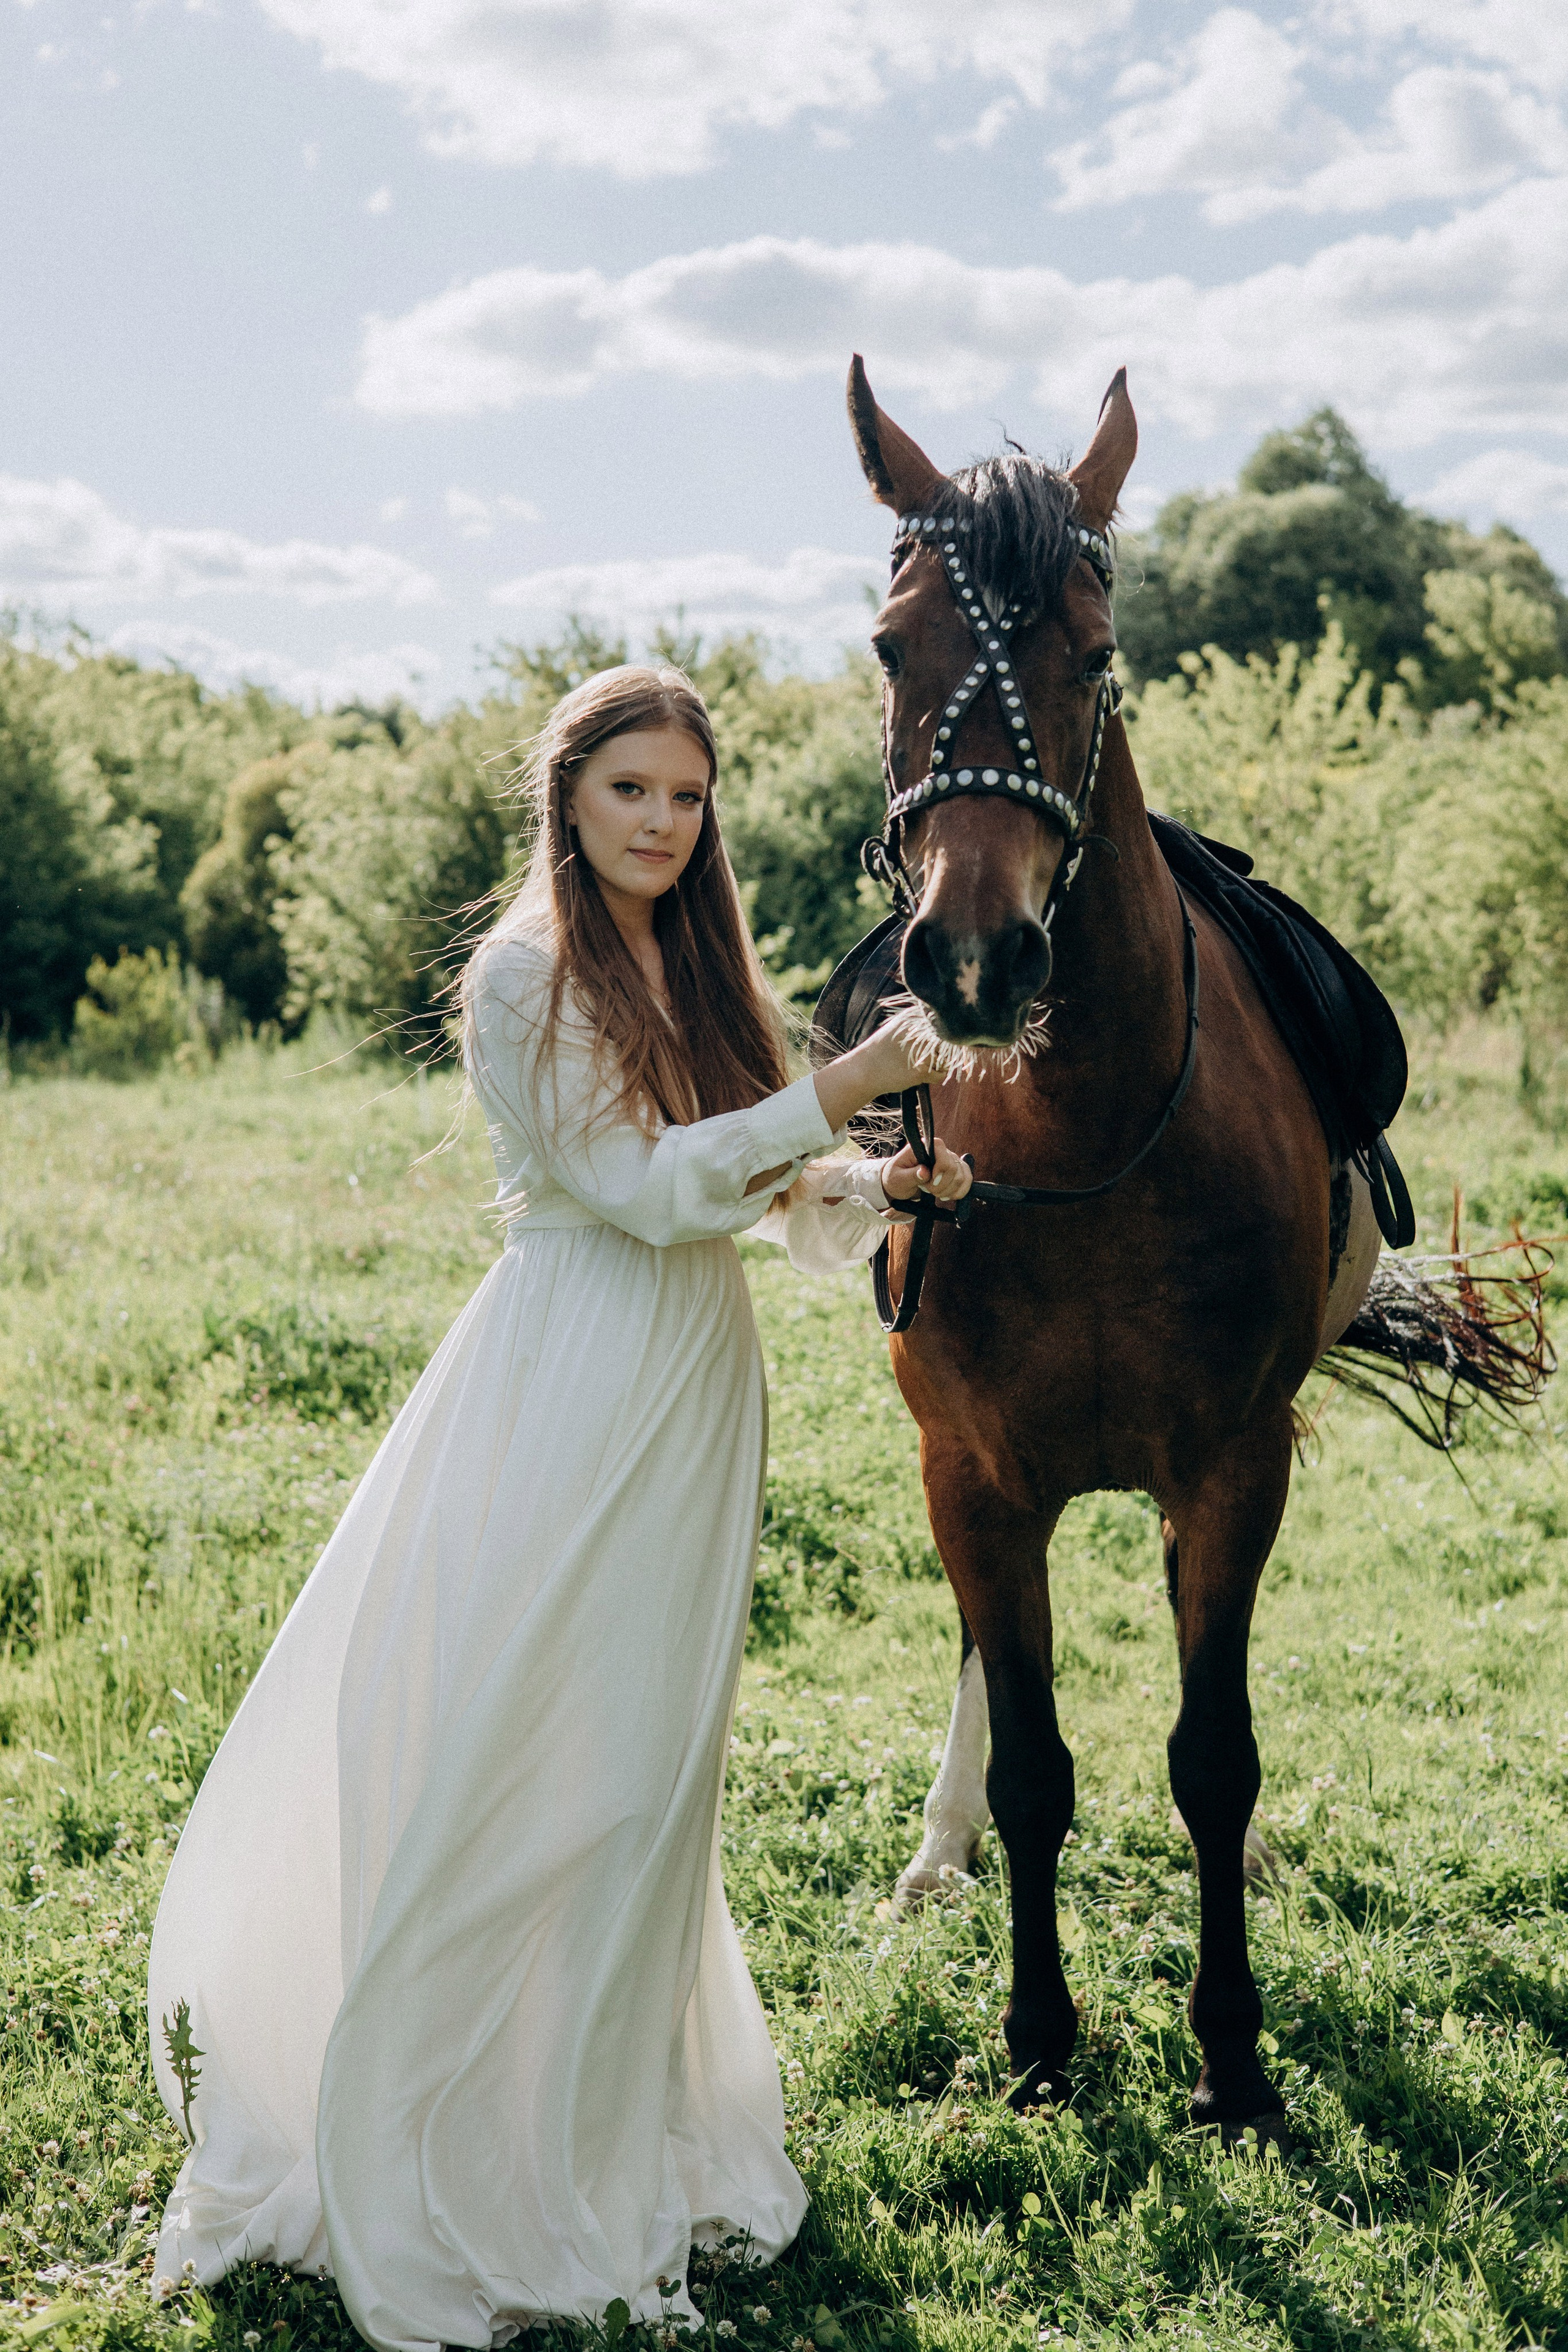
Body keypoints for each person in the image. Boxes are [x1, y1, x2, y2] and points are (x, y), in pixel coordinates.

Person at [147, 663, 971, 2352]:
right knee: (545, 1756)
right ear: (568, 795)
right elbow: (636, 1188)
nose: (667, 822)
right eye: (634, 793)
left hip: (692, 1387)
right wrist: (827, 1091)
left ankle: (597, 2120)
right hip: (575, 1374)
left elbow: (734, 1183)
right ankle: (458, 2142)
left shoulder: (685, 954)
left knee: (651, 1769)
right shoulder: (520, 974)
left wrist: (873, 1181)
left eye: (688, 796)